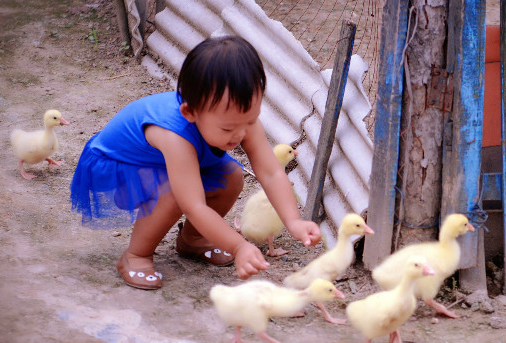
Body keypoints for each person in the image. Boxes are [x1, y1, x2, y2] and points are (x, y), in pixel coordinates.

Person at [70, 35, 321, 289]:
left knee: (230, 176)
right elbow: (194, 206)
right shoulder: (175, 136)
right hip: (120, 164)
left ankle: (194, 240)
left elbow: (270, 173)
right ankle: (136, 255)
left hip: (166, 161)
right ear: (190, 113)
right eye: (227, 129)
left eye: (250, 120)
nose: (240, 135)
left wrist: (294, 221)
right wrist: (238, 246)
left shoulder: (239, 120)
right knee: (175, 193)